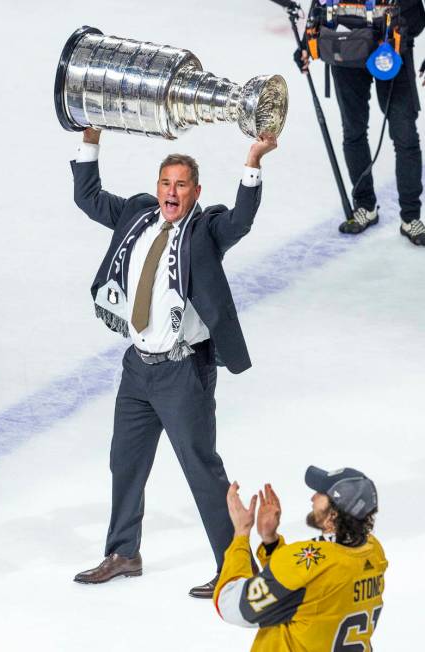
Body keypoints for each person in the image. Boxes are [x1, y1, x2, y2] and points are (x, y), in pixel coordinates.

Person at [70, 126, 277, 597]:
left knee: (201, 468)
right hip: (137, 369)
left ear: (196, 192)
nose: (171, 191)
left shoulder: (206, 230)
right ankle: (124, 552)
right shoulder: (137, 215)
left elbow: (241, 220)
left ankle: (235, 566)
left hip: (184, 372)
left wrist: (254, 160)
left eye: (181, 184)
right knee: (125, 462)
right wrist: (90, 138)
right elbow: (88, 198)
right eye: (166, 183)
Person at [214, 466, 387, 651]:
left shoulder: (308, 566)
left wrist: (241, 534)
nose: (312, 498)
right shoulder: (374, 552)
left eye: (321, 494)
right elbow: (305, 593)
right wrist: (270, 540)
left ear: (333, 515)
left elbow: (229, 604)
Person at [298, 0, 425, 246]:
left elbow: (417, 19)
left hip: (391, 47)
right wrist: (306, 42)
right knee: (353, 132)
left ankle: (411, 217)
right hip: (345, 47)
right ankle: (365, 206)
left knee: (405, 135)